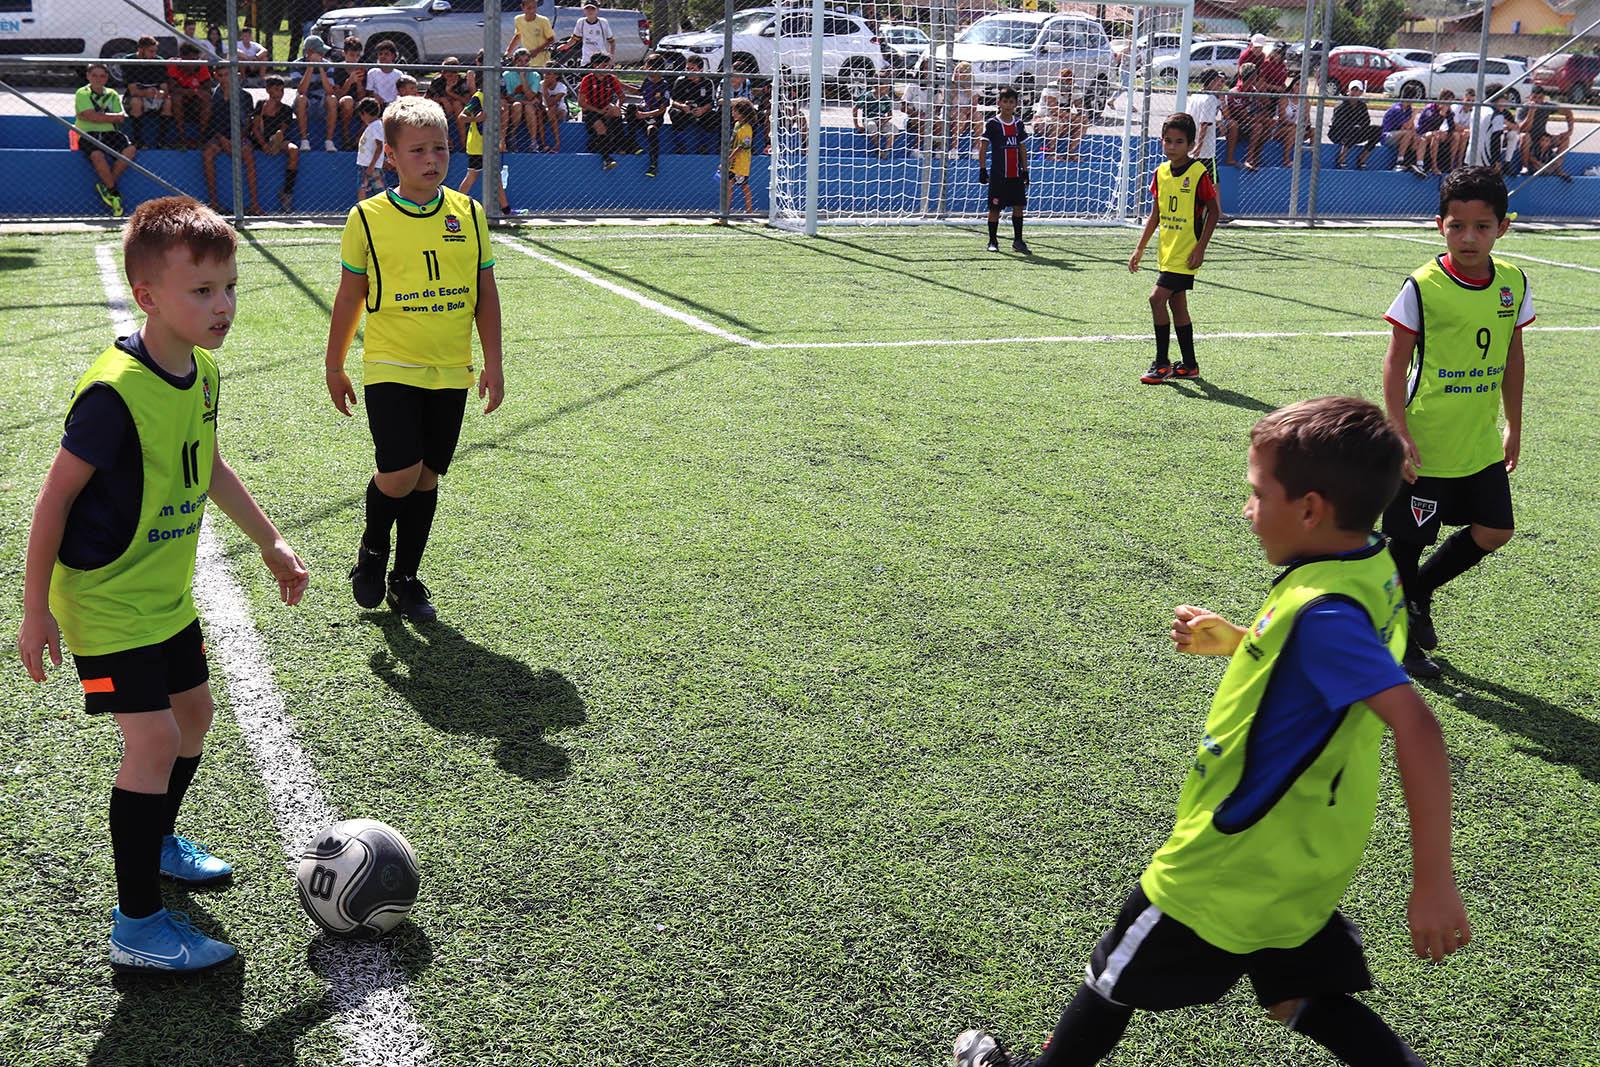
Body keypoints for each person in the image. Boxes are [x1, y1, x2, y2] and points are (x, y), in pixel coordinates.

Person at [952, 394, 1471, 1067]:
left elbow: (1418, 726)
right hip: (1306, 854)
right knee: (1297, 994)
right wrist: (1245, 641)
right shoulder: (1371, 564)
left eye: (1258, 494)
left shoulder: (1322, 613)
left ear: (1310, 509)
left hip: (1230, 860)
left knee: (1112, 976)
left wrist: (1432, 880)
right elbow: (1339, 673)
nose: (1247, 510)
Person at [16, 195, 308, 974]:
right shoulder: (113, 392)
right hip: (107, 600)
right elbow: (55, 498)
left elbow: (206, 464)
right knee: (149, 741)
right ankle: (137, 922)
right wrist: (34, 607)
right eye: (202, 291)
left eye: (230, 287)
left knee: (194, 717)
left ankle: (159, 839)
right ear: (148, 297)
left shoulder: (203, 373)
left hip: (163, 594)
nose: (223, 307)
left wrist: (271, 541)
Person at [326, 96, 504, 624]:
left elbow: (485, 293)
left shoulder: (469, 213)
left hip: (452, 369)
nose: (433, 159)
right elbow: (348, 296)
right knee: (399, 473)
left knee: (426, 477)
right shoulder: (367, 218)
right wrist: (335, 366)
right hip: (391, 366)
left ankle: (406, 578)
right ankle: (373, 550)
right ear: (392, 158)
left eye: (441, 148)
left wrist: (493, 362)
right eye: (419, 150)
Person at [1379, 167, 1531, 679]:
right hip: (1427, 442)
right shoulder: (1423, 286)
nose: (1469, 237)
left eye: (1482, 226)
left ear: (1502, 228)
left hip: (1479, 441)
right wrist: (1397, 433)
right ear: (1439, 225)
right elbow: (1396, 361)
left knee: (1496, 529)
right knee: (1407, 545)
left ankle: (1419, 592)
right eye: (1457, 225)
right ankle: (1399, 640)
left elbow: (1513, 354)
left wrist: (1514, 423)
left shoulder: (1512, 282)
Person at [1129, 113, 1217, 384]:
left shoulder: (1198, 172)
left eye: (1179, 142)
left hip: (1186, 253)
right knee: (1178, 306)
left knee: (1156, 299)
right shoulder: (1161, 173)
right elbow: (1155, 214)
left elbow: (1214, 212)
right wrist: (1139, 248)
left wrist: (1201, 248)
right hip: (1167, 252)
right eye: (1168, 141)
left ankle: (1162, 362)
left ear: (1190, 144)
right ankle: (1190, 365)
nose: (1172, 146)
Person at [76, 63, 136, 217]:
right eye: (94, 75)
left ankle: (106, 186)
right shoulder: (82, 93)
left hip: (110, 132)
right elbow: (90, 116)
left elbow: (120, 118)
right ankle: (114, 192)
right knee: (97, 155)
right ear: (88, 76)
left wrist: (98, 117)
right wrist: (107, 117)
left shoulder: (112, 93)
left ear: (107, 78)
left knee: (130, 149)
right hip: (88, 133)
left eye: (102, 75)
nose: (98, 79)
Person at [200, 66, 261, 215]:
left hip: (239, 136)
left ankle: (254, 205)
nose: (225, 79)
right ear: (216, 76)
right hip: (218, 137)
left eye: (228, 75)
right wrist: (222, 140)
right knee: (207, 155)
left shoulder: (245, 96)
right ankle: (214, 204)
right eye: (221, 75)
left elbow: (247, 122)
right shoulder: (213, 96)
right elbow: (212, 122)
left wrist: (238, 138)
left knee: (248, 155)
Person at [979, 86, 1029, 255]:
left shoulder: (1019, 124)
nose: (1008, 105)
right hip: (999, 175)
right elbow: (983, 147)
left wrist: (1025, 171)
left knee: (1018, 206)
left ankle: (1018, 241)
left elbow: (1022, 148)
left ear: (1016, 104)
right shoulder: (993, 124)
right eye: (1005, 101)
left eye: (1011, 102)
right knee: (994, 209)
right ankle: (993, 241)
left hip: (1015, 174)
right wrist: (983, 169)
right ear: (999, 102)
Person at [458, 86, 513, 210]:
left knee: (495, 176)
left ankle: (506, 209)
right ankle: (457, 204)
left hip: (489, 145)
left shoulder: (494, 98)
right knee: (472, 176)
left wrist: (501, 140)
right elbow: (461, 117)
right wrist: (475, 119)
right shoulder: (477, 98)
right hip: (477, 146)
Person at [252, 75, 300, 211]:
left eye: (282, 89)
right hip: (260, 139)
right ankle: (273, 144)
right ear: (268, 90)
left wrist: (275, 142)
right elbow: (255, 128)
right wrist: (263, 144)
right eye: (276, 89)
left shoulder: (286, 109)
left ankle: (287, 192)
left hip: (277, 140)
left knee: (293, 149)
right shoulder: (261, 105)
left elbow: (282, 130)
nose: (280, 93)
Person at [577, 52, 628, 171]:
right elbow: (581, 102)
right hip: (591, 110)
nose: (607, 68)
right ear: (596, 65)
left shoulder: (611, 78)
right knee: (600, 128)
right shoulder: (588, 79)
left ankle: (620, 144)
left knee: (616, 111)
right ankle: (606, 158)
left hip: (606, 108)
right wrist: (598, 110)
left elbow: (621, 97)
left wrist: (615, 106)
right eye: (604, 65)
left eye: (608, 65)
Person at [1519, 86, 1573, 181]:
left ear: (1543, 98)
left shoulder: (1546, 106)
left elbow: (1568, 112)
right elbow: (1522, 129)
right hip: (1528, 140)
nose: (1537, 100)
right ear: (1530, 97)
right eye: (1534, 97)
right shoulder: (1523, 108)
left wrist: (1569, 131)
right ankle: (1525, 166)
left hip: (1543, 137)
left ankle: (1557, 168)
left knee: (1565, 138)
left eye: (1540, 98)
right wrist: (1531, 113)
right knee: (1525, 136)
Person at [295, 36, 340, 151]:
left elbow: (330, 90)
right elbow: (301, 90)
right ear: (309, 52)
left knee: (332, 98)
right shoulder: (297, 64)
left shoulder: (328, 65)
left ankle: (329, 141)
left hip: (322, 103)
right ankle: (304, 141)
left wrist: (320, 67)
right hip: (306, 102)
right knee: (300, 98)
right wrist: (310, 67)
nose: (323, 54)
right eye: (320, 51)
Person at [124, 36, 169, 149]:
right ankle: (138, 141)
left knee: (169, 102)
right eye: (151, 51)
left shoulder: (159, 62)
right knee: (136, 102)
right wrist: (146, 92)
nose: (154, 54)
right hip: (135, 98)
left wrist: (161, 93)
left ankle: (162, 141)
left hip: (154, 98)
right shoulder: (129, 61)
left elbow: (164, 86)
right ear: (140, 49)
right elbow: (133, 91)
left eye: (155, 51)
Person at [165, 41, 213, 149]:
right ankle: (182, 137)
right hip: (181, 100)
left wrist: (197, 92)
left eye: (196, 59)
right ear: (182, 57)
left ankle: (202, 137)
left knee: (207, 98)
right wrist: (188, 92)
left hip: (196, 100)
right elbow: (172, 89)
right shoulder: (174, 66)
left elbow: (208, 88)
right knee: (176, 98)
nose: (194, 63)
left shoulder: (201, 66)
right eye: (190, 60)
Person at [1035, 68, 1087, 162]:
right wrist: (1073, 117)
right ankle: (1050, 153)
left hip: (1064, 122)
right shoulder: (1051, 87)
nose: (1067, 83)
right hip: (1042, 121)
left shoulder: (1075, 88)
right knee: (1056, 122)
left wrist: (1082, 116)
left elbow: (1081, 109)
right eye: (1064, 80)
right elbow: (1054, 110)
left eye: (1070, 80)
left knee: (1083, 122)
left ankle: (1070, 153)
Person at [632, 52, 671, 176]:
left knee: (652, 130)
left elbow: (662, 109)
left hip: (654, 117)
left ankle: (653, 163)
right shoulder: (647, 81)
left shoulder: (664, 85)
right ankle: (631, 144)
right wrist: (620, 84)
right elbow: (639, 91)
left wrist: (645, 115)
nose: (646, 70)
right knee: (630, 109)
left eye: (649, 68)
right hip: (642, 114)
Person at [670, 55, 718, 154]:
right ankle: (680, 146)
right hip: (684, 111)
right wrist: (682, 106)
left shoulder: (707, 82)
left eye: (693, 69)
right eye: (687, 68)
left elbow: (711, 102)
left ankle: (704, 146)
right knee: (675, 113)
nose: (689, 71)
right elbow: (674, 101)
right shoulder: (680, 81)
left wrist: (702, 110)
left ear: (700, 70)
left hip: (701, 111)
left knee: (713, 116)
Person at [1329, 80, 1380, 169]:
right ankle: (1341, 158)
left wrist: (1359, 126)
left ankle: (1362, 158)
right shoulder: (1341, 103)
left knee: (1378, 130)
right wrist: (1355, 125)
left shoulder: (1362, 106)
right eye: (1353, 90)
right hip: (1338, 134)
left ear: (1360, 93)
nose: (1354, 92)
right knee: (1354, 129)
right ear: (1348, 91)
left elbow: (1366, 121)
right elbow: (1338, 123)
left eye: (1357, 90)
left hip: (1355, 133)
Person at [1187, 69, 1225, 182]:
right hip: (1205, 151)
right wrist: (1199, 146)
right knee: (1214, 183)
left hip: (1192, 144)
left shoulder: (1195, 95)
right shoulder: (1210, 99)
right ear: (1212, 81)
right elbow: (1204, 123)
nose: (1220, 83)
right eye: (1218, 80)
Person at [335, 36, 369, 149]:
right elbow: (338, 94)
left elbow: (362, 96)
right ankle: (346, 136)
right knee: (348, 100)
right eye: (351, 55)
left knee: (370, 104)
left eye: (357, 56)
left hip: (358, 103)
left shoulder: (362, 69)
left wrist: (358, 82)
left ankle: (358, 140)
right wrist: (349, 81)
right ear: (344, 54)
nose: (354, 59)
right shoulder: (337, 68)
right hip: (342, 104)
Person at [723, 97, 756, 213]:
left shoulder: (747, 128)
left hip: (741, 163)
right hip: (733, 161)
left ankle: (749, 210)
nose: (732, 113)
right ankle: (726, 210)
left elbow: (743, 146)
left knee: (743, 186)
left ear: (742, 113)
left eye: (735, 111)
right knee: (730, 184)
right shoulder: (737, 124)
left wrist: (729, 158)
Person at [502, 48, 539, 150]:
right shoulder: (507, 74)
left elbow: (531, 96)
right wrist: (526, 101)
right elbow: (509, 97)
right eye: (520, 61)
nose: (523, 64)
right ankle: (512, 135)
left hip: (529, 104)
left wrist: (523, 78)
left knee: (528, 108)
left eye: (526, 61)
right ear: (515, 61)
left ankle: (533, 141)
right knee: (517, 105)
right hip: (514, 103)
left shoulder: (535, 75)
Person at [853, 75, 896, 159]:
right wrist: (857, 125)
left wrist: (884, 121)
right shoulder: (867, 96)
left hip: (882, 121)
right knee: (872, 126)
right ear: (877, 86)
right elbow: (855, 109)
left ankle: (886, 152)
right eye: (885, 85)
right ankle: (878, 149)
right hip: (869, 119)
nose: (888, 87)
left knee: (894, 130)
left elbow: (890, 115)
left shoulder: (886, 99)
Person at [1380, 95, 1424, 176]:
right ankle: (1399, 162)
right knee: (1407, 133)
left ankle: (1419, 165)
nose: (1415, 100)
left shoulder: (1408, 109)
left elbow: (1412, 128)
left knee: (1421, 139)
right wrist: (1414, 115)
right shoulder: (1397, 109)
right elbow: (1405, 127)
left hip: (1401, 136)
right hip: (1388, 136)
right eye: (1415, 98)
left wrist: (1416, 138)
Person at [1414, 92, 1455, 175]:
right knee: (1435, 136)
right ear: (1442, 100)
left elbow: (1452, 127)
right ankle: (1434, 166)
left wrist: (1445, 133)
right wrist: (1442, 115)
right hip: (1423, 133)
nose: (1449, 105)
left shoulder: (1448, 110)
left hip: (1436, 133)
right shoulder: (1430, 108)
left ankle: (1453, 165)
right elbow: (1429, 125)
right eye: (1448, 102)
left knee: (1456, 136)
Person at [355, 97, 387, 201]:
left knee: (370, 189)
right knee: (366, 188)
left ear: (364, 113)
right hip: (366, 165)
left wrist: (371, 166)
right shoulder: (373, 126)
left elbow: (379, 146)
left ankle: (363, 210)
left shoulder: (376, 126)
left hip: (370, 166)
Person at [508, 0, 556, 68]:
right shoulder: (518, 19)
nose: (532, 11)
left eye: (534, 7)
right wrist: (508, 52)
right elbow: (518, 35)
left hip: (542, 61)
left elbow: (551, 39)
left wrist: (536, 51)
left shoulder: (543, 21)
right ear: (522, 7)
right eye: (529, 8)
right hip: (526, 61)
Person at [569, 1, 615, 67]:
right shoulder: (581, 22)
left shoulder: (603, 22)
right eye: (587, 8)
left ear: (597, 10)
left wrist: (611, 58)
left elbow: (612, 42)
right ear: (584, 10)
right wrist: (564, 46)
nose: (590, 11)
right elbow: (574, 39)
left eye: (593, 9)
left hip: (600, 59)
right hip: (586, 59)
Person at [900, 76, 935, 154]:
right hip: (911, 117)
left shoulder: (935, 86)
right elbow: (903, 108)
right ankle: (915, 150)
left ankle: (938, 150)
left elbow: (938, 108)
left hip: (929, 116)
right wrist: (915, 113)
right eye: (925, 68)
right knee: (923, 121)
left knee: (940, 123)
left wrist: (930, 113)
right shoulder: (912, 85)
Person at [537, 69, 570, 152]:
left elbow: (550, 103)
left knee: (551, 109)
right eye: (545, 73)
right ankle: (543, 144)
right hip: (545, 110)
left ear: (556, 75)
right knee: (540, 113)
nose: (545, 76)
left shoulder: (561, 87)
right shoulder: (540, 84)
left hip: (560, 111)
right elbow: (540, 102)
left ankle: (557, 143)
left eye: (548, 74)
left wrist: (544, 88)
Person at [367, 39, 404, 107]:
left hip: (394, 105)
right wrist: (376, 96)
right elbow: (369, 91)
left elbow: (401, 92)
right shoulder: (372, 72)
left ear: (393, 56)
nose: (382, 56)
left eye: (386, 54)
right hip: (376, 105)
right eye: (380, 54)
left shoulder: (399, 74)